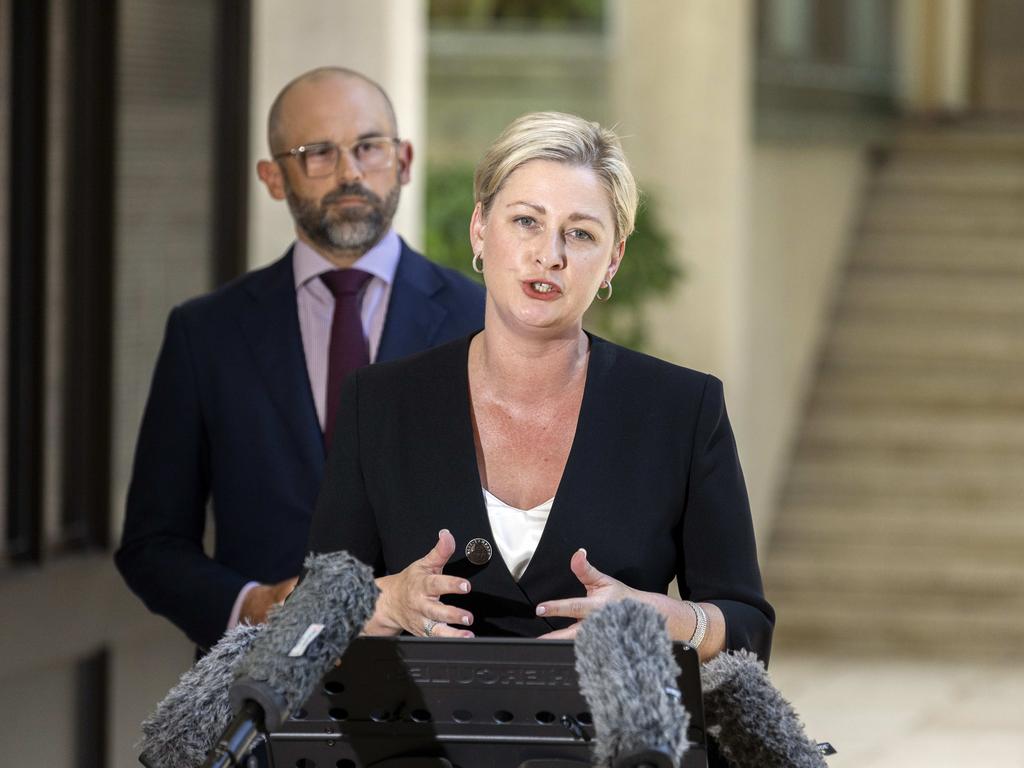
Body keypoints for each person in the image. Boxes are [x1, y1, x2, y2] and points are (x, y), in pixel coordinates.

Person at [308, 111, 773, 661]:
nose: (549, 254)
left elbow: (747, 625)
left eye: (580, 234)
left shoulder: (683, 409)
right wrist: (387, 602)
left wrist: (662, 620)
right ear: (481, 228)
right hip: (415, 739)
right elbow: (313, 614)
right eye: (526, 221)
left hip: (617, 741)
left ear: (612, 260)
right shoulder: (380, 402)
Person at [115, 67, 485, 652]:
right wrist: (253, 606)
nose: (349, 173)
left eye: (369, 147)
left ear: (405, 160)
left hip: (447, 692)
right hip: (261, 699)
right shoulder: (204, 333)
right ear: (272, 177)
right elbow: (151, 544)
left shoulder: (484, 321)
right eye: (317, 153)